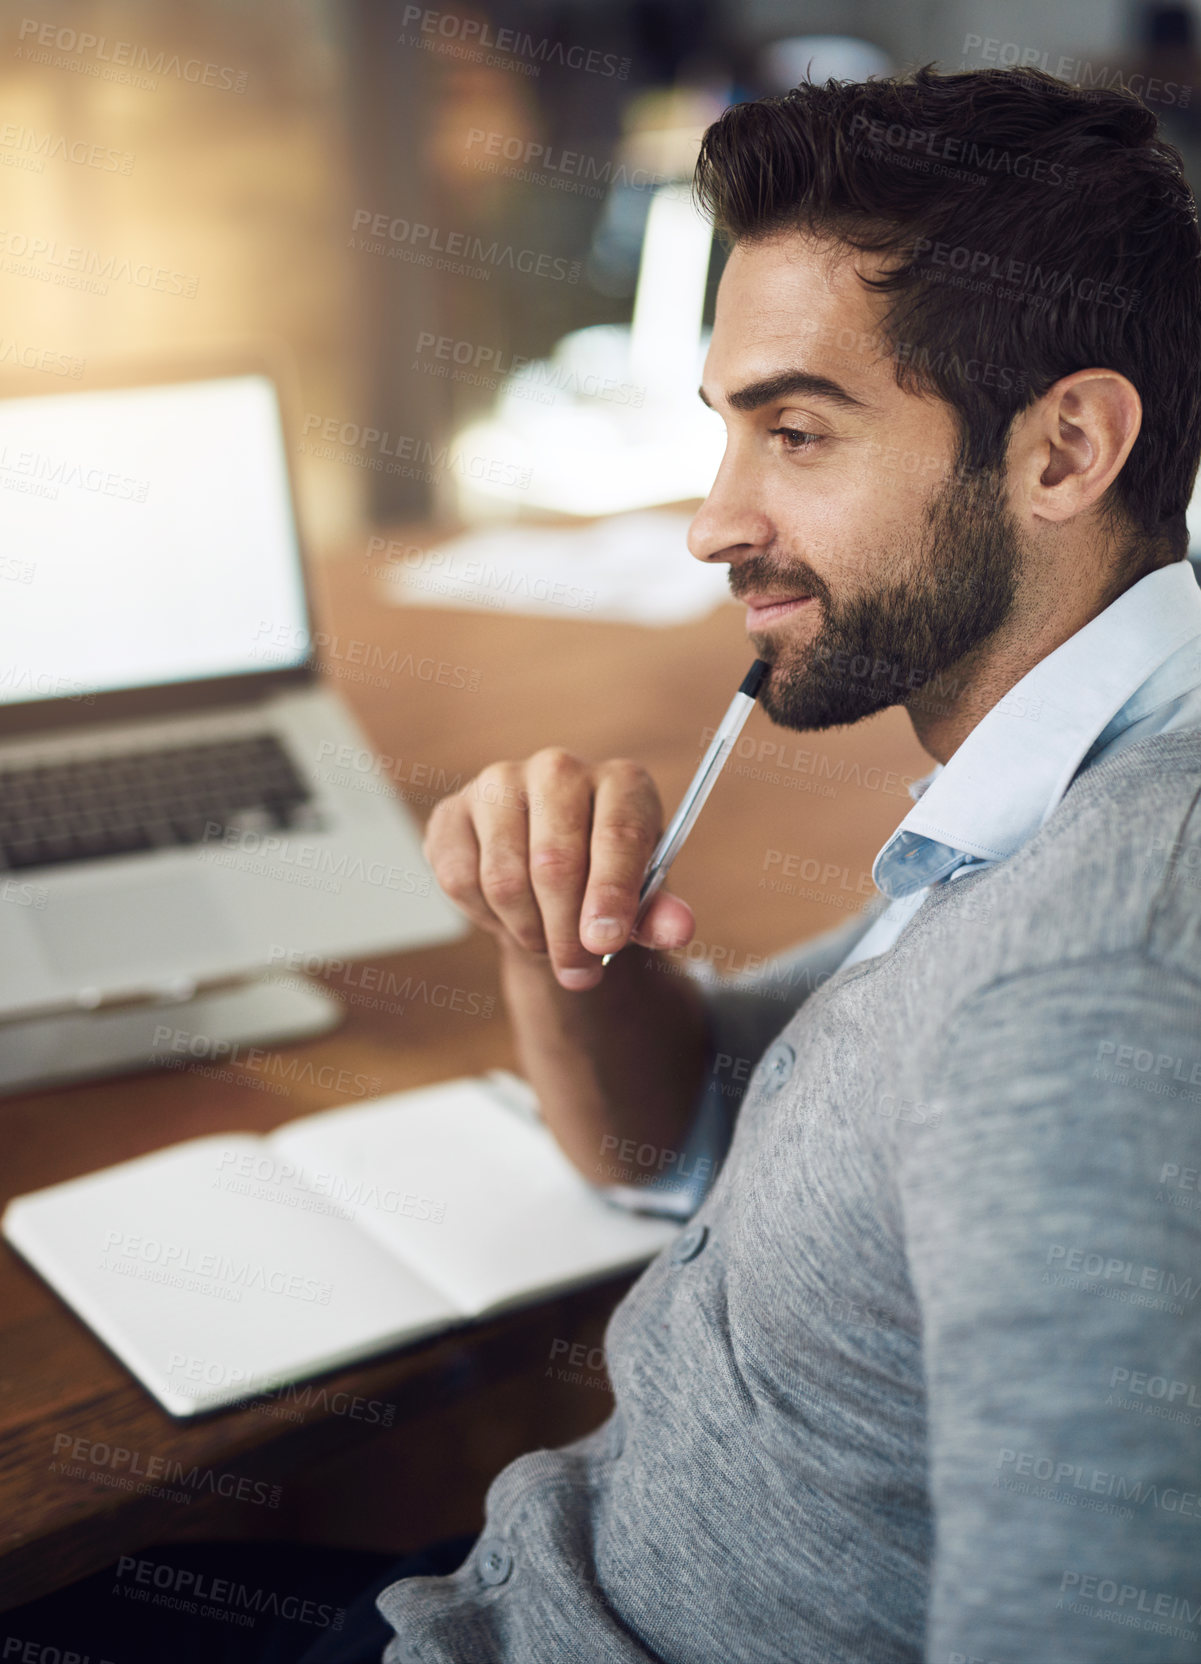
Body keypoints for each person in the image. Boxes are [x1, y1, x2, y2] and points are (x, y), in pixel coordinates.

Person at [12, 61, 1201, 1664]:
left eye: (796, 431)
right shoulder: (1045, 799)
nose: (712, 523)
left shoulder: (1088, 982)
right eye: (724, 433)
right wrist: (555, 925)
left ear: (1064, 450)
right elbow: (685, 1131)